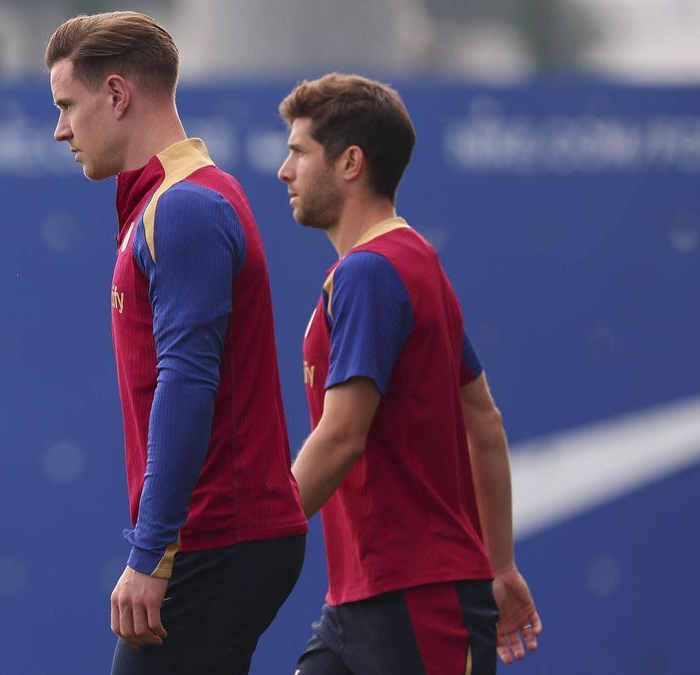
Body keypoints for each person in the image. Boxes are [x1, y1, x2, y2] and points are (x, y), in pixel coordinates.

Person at [46, 11, 308, 674]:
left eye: (67, 106)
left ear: (116, 95)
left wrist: (151, 552)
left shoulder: (185, 207)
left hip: (216, 538)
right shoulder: (163, 205)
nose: (60, 130)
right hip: (219, 536)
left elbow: (187, 384)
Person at [275, 73, 542, 674]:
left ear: (350, 163)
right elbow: (484, 420)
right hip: (362, 600)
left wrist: (264, 530)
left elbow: (343, 434)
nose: (283, 172)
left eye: (297, 153)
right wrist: (498, 567)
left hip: (418, 601)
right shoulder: (414, 260)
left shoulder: (370, 272)